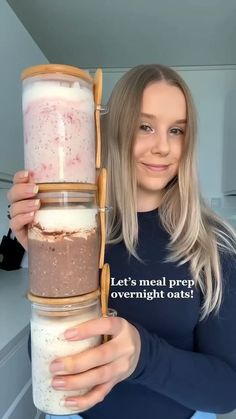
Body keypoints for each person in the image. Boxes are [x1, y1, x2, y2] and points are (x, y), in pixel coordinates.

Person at [7, 64, 236, 419]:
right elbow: (49, 361)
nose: (163, 146)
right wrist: (46, 257)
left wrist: (143, 357)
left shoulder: (214, 244)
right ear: (116, 130)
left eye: (176, 130)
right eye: (145, 126)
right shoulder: (80, 232)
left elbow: (226, 391)